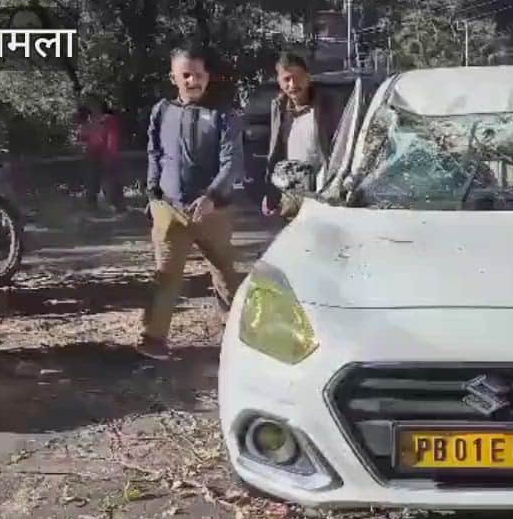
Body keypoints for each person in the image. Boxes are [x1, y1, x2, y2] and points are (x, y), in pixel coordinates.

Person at [139, 42, 245, 360]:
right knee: (165, 276)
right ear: (173, 77)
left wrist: (212, 196)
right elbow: (154, 154)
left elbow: (232, 161)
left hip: (213, 212)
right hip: (169, 209)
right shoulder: (162, 111)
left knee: (224, 272)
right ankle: (153, 339)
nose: (192, 81)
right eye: (185, 75)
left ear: (207, 76)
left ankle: (238, 335)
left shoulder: (224, 115)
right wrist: (152, 195)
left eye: (198, 75)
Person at [263, 51, 341, 221]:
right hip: (290, 193)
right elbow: (275, 151)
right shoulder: (279, 108)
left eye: (297, 78)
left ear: (308, 77)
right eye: (287, 79)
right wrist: (270, 194)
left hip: (320, 192)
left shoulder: (326, 106)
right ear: (279, 82)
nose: (292, 84)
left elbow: (338, 148)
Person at [79, 95, 125, 212]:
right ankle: (92, 207)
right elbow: (83, 138)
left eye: (93, 104)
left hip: (107, 156)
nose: (91, 107)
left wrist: (110, 155)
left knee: (112, 182)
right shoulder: (88, 121)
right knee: (91, 183)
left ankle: (119, 207)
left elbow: (113, 138)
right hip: (92, 156)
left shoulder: (108, 120)